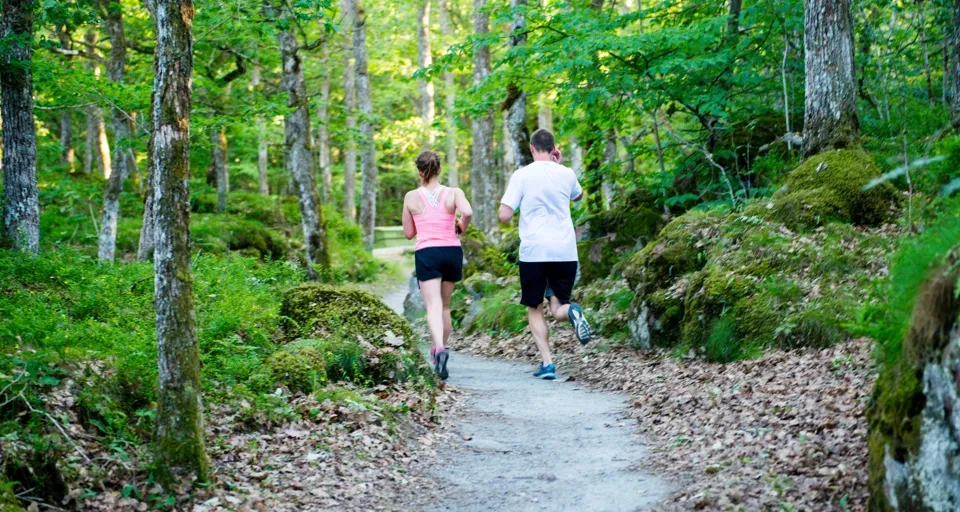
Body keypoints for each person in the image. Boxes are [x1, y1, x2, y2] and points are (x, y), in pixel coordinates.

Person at [499, 128, 592, 380]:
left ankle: (548, 364)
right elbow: (578, 195)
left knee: (535, 307)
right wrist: (558, 166)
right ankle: (573, 312)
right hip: (564, 251)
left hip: (534, 252)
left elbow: (504, 215)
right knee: (558, 306)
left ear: (531, 148)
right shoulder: (567, 173)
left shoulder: (522, 175)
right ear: (553, 149)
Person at [402, 150, 472, 380]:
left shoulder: (411, 197)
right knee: (444, 307)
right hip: (451, 251)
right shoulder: (454, 192)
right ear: (439, 169)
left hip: (427, 253)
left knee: (432, 306)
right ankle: (440, 348)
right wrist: (461, 226)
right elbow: (468, 212)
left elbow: (409, 233)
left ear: (420, 172)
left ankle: (439, 349)